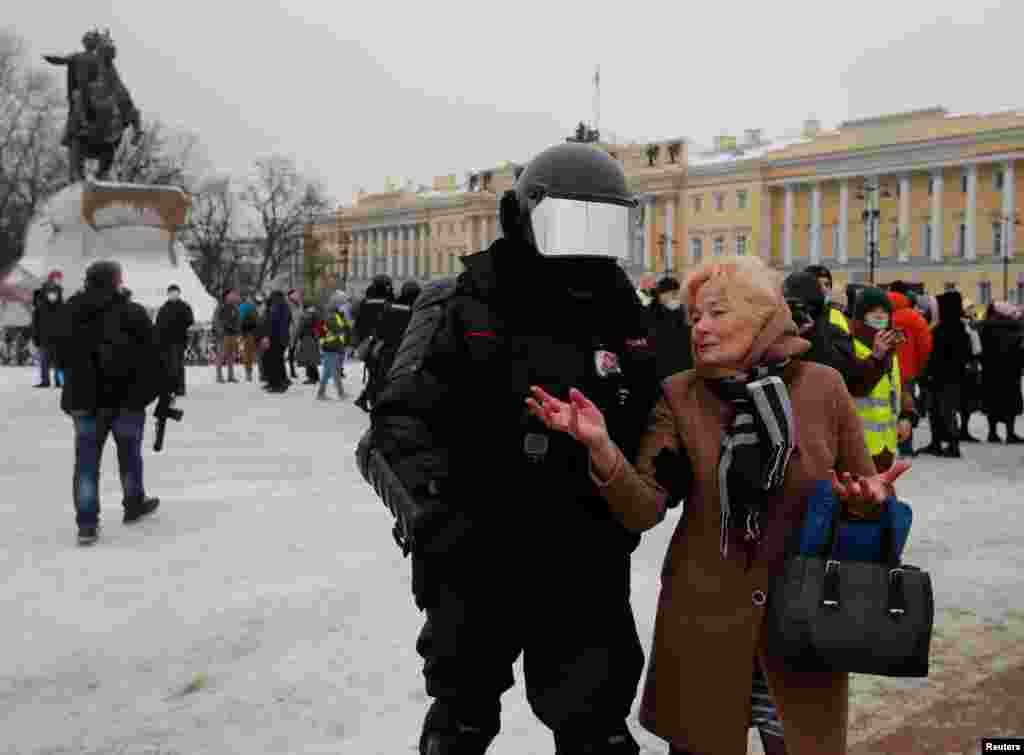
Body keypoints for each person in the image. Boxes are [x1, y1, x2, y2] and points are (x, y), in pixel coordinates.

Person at [526, 254, 910, 755]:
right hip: (704, 624)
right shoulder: (681, 396)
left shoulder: (823, 387)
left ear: (759, 316)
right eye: (694, 317)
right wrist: (602, 447)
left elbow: (867, 493)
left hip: (802, 624)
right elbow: (642, 508)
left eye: (716, 313)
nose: (700, 327)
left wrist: (867, 501)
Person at [357, 142, 661, 755]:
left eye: (601, 225)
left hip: (584, 566)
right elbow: (391, 429)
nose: (586, 244)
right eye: (572, 222)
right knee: (461, 723)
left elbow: (658, 418)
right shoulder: (462, 300)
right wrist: (436, 519)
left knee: (598, 730)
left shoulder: (622, 314)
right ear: (525, 216)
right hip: (478, 557)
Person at [51, 260, 163, 545]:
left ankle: (87, 524)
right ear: (116, 281)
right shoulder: (132, 312)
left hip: (84, 400)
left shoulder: (70, 312)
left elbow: (57, 354)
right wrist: (145, 394)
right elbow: (152, 358)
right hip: (126, 399)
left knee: (87, 463)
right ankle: (133, 502)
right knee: (129, 455)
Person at [848, 287, 914, 471]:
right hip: (858, 446)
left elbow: (900, 385)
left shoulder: (891, 347)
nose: (879, 315)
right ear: (861, 315)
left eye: (884, 311)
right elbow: (857, 385)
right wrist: (876, 357)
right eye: (872, 311)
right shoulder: (851, 346)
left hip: (887, 443)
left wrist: (906, 415)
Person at [919, 290, 972, 458]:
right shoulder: (959, 327)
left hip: (943, 377)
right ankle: (939, 443)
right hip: (949, 377)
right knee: (938, 410)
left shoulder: (946, 328)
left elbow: (938, 354)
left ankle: (951, 445)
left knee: (944, 411)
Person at [357, 281, 422, 412]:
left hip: (385, 348)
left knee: (378, 376)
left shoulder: (388, 305)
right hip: (406, 349)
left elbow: (374, 326)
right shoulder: (416, 309)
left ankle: (375, 402)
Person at [886, 283, 933, 456]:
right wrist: (918, 368)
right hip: (907, 371)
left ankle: (884, 444)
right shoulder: (913, 317)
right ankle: (905, 446)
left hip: (883, 368)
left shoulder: (881, 314)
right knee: (906, 407)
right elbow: (925, 346)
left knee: (884, 406)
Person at [978, 302, 1024, 443]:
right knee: (1010, 403)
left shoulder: (984, 327)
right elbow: (1019, 350)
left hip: (989, 372)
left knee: (992, 402)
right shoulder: (1013, 328)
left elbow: (979, 349)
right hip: (1010, 372)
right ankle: (1010, 434)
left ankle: (992, 433)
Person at [353, 275, 396, 411]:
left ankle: (366, 398)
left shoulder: (365, 301)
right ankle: (372, 399)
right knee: (380, 373)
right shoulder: (389, 301)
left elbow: (358, 324)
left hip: (366, 342)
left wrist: (360, 341)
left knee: (374, 373)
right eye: (388, 285)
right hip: (382, 342)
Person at [647, 276, 693, 382]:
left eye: (677, 294)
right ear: (661, 294)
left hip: (683, 365)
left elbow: (688, 334)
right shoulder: (651, 312)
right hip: (662, 367)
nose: (676, 297)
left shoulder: (682, 310)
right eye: (673, 294)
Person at [154, 284, 194, 397]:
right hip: (166, 341)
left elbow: (190, 320)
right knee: (168, 365)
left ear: (179, 293)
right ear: (168, 294)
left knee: (178, 365)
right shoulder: (164, 308)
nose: (173, 294)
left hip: (179, 340)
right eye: (171, 293)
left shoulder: (185, 306)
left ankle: (180, 388)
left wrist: (180, 325)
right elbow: (158, 324)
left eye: (175, 292)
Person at [32, 271, 66, 388]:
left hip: (46, 333)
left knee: (46, 360)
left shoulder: (41, 296)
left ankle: (49, 381)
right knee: (56, 360)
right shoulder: (53, 290)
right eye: (58, 278)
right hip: (52, 333)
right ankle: (59, 381)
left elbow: (36, 317)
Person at [316, 292, 352, 401]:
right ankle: (340, 393)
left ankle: (321, 393)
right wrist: (345, 327)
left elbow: (343, 328)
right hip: (331, 346)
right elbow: (337, 329)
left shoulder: (336, 314)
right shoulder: (331, 315)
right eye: (342, 303)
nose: (344, 306)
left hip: (334, 346)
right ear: (337, 304)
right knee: (335, 371)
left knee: (327, 372)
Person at [260, 289, 292, 393]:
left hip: (275, 337)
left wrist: (267, 336)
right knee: (278, 360)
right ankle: (279, 382)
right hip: (282, 337)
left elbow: (272, 322)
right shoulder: (284, 305)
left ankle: (276, 384)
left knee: (273, 361)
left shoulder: (277, 306)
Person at [804, 264, 850, 333]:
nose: (824, 289)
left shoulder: (836, 314)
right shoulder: (797, 312)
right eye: (818, 284)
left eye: (827, 284)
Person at [213, 288, 242, 384]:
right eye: (231, 294)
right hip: (223, 334)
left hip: (233, 334)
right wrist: (220, 330)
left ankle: (231, 376)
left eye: (234, 295)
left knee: (231, 356)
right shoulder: (220, 306)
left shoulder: (235, 307)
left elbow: (238, 320)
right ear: (226, 296)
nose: (233, 296)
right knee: (221, 355)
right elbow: (216, 319)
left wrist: (238, 331)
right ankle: (219, 376)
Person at [239, 294, 261, 382]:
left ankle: (249, 374)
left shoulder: (242, 307)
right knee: (251, 354)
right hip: (251, 333)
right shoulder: (253, 308)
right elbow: (257, 321)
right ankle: (252, 373)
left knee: (248, 354)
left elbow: (239, 321)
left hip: (247, 334)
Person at [287, 288, 304, 381]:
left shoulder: (299, 304)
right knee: (291, 351)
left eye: (297, 294)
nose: (297, 295)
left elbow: (301, 315)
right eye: (295, 294)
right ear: (290, 295)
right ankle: (291, 370)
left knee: (293, 351)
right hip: (290, 330)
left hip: (298, 329)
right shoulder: (288, 304)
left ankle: (293, 370)